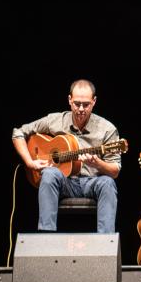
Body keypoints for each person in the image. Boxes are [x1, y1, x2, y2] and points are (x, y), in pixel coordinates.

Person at [12, 79, 121, 233]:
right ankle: (46, 238)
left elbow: (115, 170)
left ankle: (105, 244)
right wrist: (30, 162)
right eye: (77, 104)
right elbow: (18, 132)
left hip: (93, 182)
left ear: (94, 101)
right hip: (65, 182)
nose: (81, 109)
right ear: (69, 100)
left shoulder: (107, 129)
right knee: (49, 173)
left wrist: (98, 164)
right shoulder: (56, 120)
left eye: (86, 104)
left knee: (108, 183)